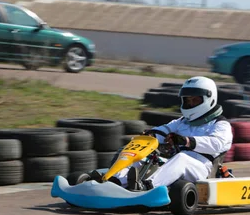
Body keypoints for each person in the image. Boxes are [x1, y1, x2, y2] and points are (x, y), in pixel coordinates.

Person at [95, 76, 233, 191]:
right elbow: (164, 130)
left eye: (195, 100)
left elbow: (217, 144)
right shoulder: (182, 122)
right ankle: (116, 181)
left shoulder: (220, 124)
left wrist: (186, 141)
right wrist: (151, 135)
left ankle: (148, 187)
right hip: (173, 163)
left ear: (209, 98)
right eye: (187, 100)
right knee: (143, 156)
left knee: (182, 158)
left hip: (202, 168)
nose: (190, 104)